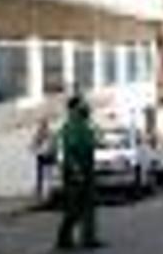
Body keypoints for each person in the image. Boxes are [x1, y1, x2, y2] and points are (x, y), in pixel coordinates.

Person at [55, 96, 104, 250]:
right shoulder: (70, 127)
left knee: (89, 207)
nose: (86, 108)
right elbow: (68, 151)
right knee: (73, 209)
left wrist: (93, 125)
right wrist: (75, 169)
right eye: (83, 105)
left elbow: (96, 140)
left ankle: (88, 239)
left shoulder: (85, 125)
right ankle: (63, 239)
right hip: (75, 173)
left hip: (88, 170)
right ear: (74, 109)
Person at [31, 118, 56, 201]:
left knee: (47, 175)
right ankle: (42, 192)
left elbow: (53, 144)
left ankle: (47, 192)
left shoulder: (48, 134)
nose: (43, 126)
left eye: (43, 124)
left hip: (46, 156)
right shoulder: (40, 134)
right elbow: (34, 145)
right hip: (43, 156)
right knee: (43, 176)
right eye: (42, 124)